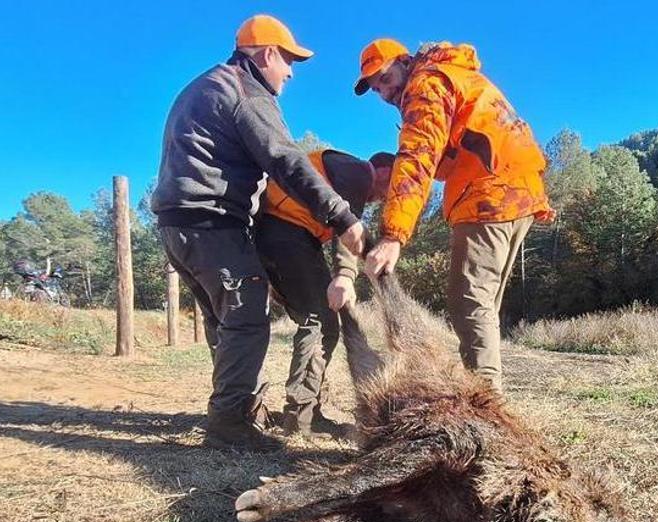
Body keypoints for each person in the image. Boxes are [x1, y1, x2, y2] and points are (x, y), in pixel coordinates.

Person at [150, 15, 365, 447]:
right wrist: (342, 217)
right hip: (213, 223)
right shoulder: (246, 92)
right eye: (289, 61)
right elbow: (285, 159)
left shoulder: (203, 85)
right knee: (247, 320)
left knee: (224, 322)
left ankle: (237, 409)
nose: (290, 73)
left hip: (177, 226)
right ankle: (228, 424)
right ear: (267, 54)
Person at [354, 39, 554, 393]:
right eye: (376, 88)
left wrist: (392, 235)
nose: (384, 92)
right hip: (518, 190)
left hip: (489, 193)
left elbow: (418, 157)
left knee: (469, 301)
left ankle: (485, 404)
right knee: (482, 304)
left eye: (385, 78)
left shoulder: (425, 84)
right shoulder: (453, 75)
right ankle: (485, 390)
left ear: (405, 62)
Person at [256, 150, 394, 435]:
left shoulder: (344, 172)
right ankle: (302, 418)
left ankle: (296, 410)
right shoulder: (360, 172)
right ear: (383, 171)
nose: (383, 198)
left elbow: (350, 231)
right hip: (287, 233)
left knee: (317, 319)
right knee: (320, 321)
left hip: (284, 235)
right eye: (388, 190)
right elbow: (349, 229)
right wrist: (344, 275)